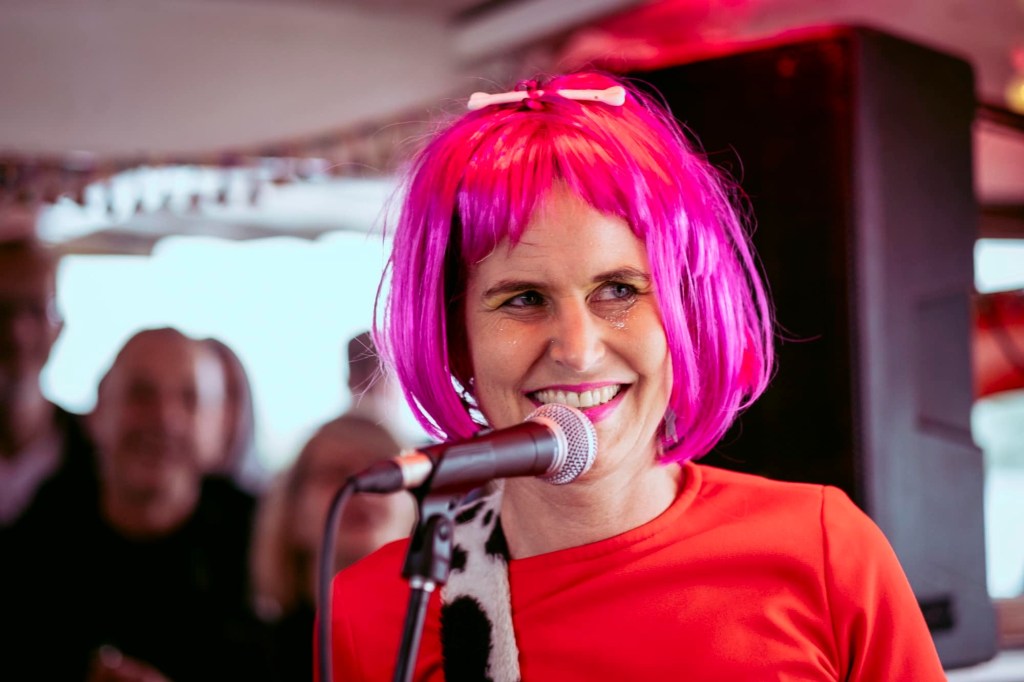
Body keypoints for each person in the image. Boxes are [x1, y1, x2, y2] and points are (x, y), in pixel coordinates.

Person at [325, 72, 945, 680]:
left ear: (687, 312)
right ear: (455, 339)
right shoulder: (375, 612)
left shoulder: (824, 549)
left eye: (619, 290)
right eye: (524, 299)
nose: (577, 350)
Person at [16, 327, 270, 681]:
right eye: (141, 395)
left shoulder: (266, 548)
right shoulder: (34, 539)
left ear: (221, 428)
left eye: (189, 400)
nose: (164, 418)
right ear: (97, 413)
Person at [251, 415, 416, 681]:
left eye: (384, 471)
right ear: (292, 513)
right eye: (335, 473)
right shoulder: (250, 656)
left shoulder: (443, 649)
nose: (364, 490)